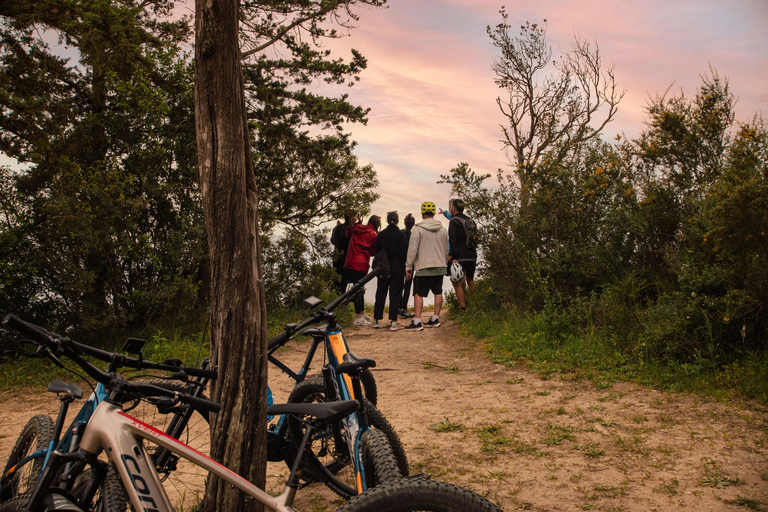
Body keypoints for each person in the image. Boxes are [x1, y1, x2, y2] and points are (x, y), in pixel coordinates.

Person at [404, 202, 449, 331]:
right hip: (440, 265)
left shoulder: (418, 229)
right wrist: (444, 263)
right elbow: (446, 249)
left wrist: (408, 266)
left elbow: (412, 249)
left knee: (418, 293)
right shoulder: (443, 229)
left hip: (423, 266)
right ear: (434, 213)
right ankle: (435, 319)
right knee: (438, 291)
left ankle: (417, 322)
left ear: (422, 213)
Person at [372, 212, 408, 331]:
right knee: (394, 294)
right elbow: (403, 254)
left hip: (383, 266)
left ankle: (376, 320)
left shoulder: (381, 235)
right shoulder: (401, 235)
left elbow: (377, 252)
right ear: (398, 221)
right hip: (396, 265)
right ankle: (393, 322)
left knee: (381, 292)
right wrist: (405, 269)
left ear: (387, 221)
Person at [344, 215, 380, 325]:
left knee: (359, 288)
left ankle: (362, 313)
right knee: (358, 289)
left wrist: (356, 224)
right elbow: (374, 251)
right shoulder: (372, 235)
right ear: (377, 225)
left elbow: (347, 232)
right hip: (361, 263)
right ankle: (358, 317)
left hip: (351, 260)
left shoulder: (357, 229)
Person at [448, 199, 477, 310]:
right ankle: (474, 305)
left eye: (451, 207)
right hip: (472, 255)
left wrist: (454, 257)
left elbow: (453, 240)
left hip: (460, 256)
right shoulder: (471, 220)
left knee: (457, 282)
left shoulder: (454, 221)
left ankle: (463, 309)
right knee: (470, 280)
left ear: (454, 208)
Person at [330, 213, 357, 293]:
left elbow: (332, 241)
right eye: (355, 216)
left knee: (336, 281)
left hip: (336, 257)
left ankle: (331, 298)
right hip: (346, 258)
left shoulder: (336, 228)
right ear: (350, 218)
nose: (356, 218)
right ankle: (340, 302)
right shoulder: (351, 230)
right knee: (343, 282)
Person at [398, 213, 416, 319]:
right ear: (413, 224)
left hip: (399, 263)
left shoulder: (399, 233)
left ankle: (399, 308)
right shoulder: (414, 235)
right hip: (410, 263)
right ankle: (404, 308)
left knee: (399, 285)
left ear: (404, 223)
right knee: (408, 286)